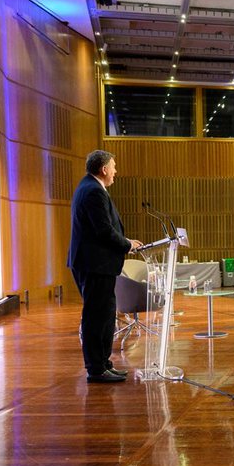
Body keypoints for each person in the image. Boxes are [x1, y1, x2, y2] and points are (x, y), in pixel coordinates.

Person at [68, 150, 142, 384]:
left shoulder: (91, 188)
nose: (116, 171)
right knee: (96, 317)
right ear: (104, 169)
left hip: (97, 264)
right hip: (94, 265)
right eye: (114, 166)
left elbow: (104, 229)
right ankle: (96, 368)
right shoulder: (92, 191)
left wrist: (125, 242)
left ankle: (102, 363)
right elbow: (104, 231)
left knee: (104, 316)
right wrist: (127, 244)